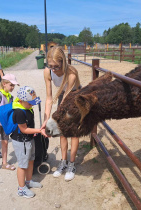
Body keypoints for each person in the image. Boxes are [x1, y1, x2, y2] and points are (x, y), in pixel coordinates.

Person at [41, 46, 81, 181]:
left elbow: (65, 102)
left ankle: (72, 164)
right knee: (61, 131)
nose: (53, 69)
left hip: (74, 97)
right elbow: (48, 98)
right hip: (62, 95)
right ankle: (63, 161)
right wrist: (46, 119)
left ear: (63, 62)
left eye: (56, 66)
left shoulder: (71, 74)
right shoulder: (48, 72)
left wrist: (55, 118)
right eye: (50, 66)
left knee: (73, 132)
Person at [12, 86, 46, 198]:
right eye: (30, 103)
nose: (33, 105)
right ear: (21, 101)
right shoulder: (19, 112)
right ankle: (21, 189)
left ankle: (28, 181)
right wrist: (40, 131)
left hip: (29, 139)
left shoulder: (27, 108)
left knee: (31, 160)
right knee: (22, 164)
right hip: (21, 142)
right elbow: (23, 129)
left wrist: (35, 132)